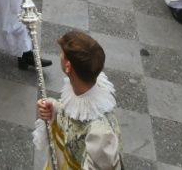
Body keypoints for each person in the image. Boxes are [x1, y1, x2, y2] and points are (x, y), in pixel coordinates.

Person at [33, 30, 123, 170]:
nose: (60, 56)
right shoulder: (84, 88)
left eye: (62, 53)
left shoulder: (101, 134)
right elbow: (74, 119)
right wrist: (55, 109)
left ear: (68, 66)